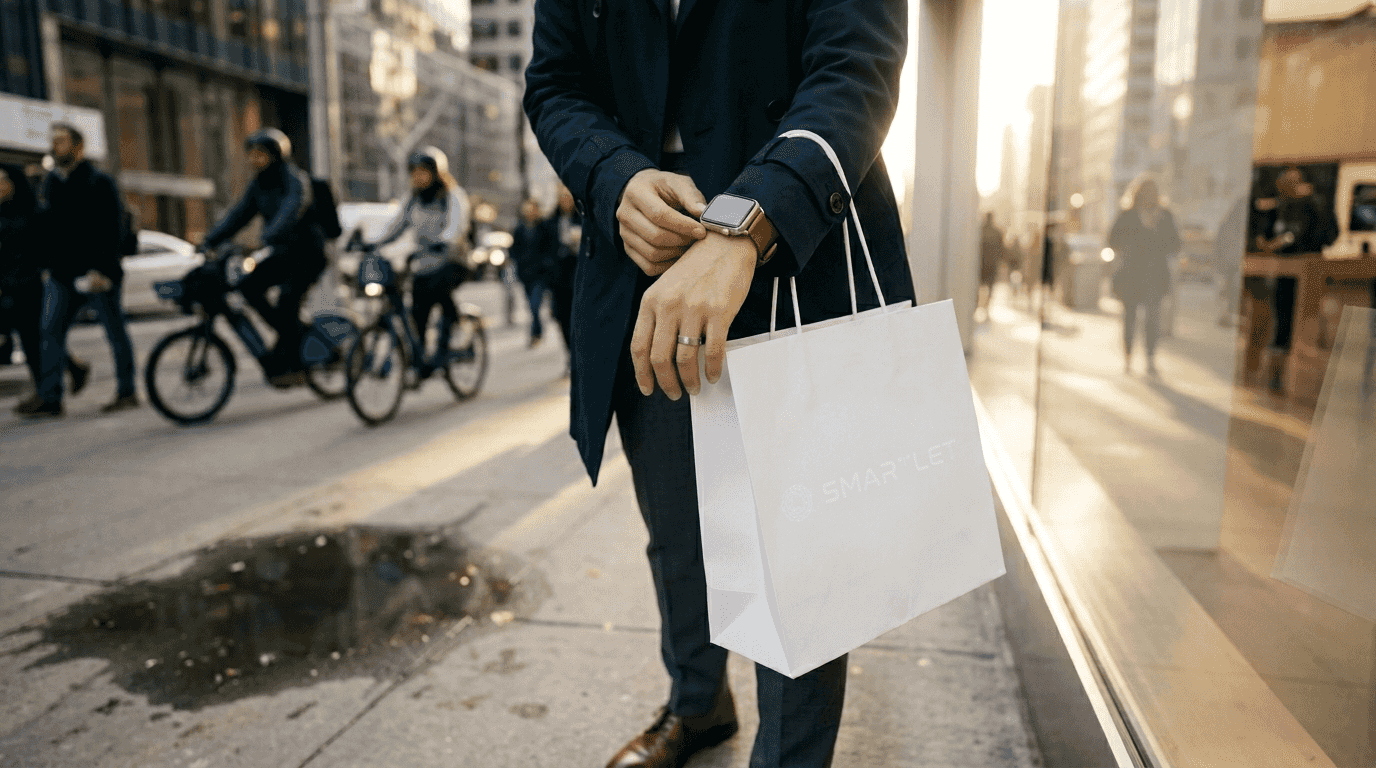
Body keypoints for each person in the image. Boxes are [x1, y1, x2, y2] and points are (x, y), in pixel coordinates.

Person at [525, 1, 912, 766]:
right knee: (677, 527)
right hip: (642, 253)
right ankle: (698, 704)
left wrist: (749, 221)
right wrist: (613, 175)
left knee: (800, 554)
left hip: (798, 245)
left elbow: (855, 67)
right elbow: (556, 81)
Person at [18, 123, 135, 417]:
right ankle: (51, 398)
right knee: (50, 332)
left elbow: (113, 229)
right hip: (62, 274)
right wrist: (45, 266)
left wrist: (103, 269)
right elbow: (48, 229)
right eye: (53, 141)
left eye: (62, 141)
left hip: (97, 273)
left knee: (114, 332)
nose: (55, 146)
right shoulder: (52, 184)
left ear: (78, 148)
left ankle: (127, 391)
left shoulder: (99, 182)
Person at [202, 127, 326, 388]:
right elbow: (239, 215)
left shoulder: (294, 179)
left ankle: (296, 363)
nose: (255, 160)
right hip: (281, 252)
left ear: (276, 155)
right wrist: (210, 240)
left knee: (286, 301)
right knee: (248, 285)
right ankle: (292, 332)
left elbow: (292, 207)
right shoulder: (259, 185)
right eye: (252, 155)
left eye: (261, 155)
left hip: (307, 254)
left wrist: (268, 235)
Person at [371, 147, 471, 375]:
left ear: (436, 173)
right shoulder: (412, 200)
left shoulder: (452, 196)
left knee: (439, 292)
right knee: (417, 312)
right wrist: (374, 243)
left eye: (423, 172)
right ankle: (422, 361)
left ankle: (449, 341)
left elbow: (456, 226)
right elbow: (395, 227)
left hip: (453, 261)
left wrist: (444, 240)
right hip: (424, 264)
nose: (418, 177)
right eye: (414, 172)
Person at [1249, 166, 1339, 391]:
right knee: (1280, 324)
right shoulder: (1277, 207)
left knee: (1304, 324)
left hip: (1308, 276)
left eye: (1291, 182)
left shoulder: (1315, 207)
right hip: (1280, 276)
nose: (1287, 188)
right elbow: (1263, 236)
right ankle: (1274, 375)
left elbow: (1328, 236)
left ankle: (1300, 378)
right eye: (1284, 183)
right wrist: (1265, 243)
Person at [1108, 177, 1181, 376]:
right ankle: (1128, 358)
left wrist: (1157, 232)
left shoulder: (1164, 216)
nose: (1148, 197)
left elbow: (1175, 244)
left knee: (1152, 319)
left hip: (1154, 275)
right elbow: (1113, 239)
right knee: (1130, 318)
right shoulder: (1128, 215)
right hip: (1131, 274)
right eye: (1145, 193)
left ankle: (1149, 359)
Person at [509, 198, 558, 348]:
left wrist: (546, 263)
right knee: (531, 306)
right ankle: (537, 331)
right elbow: (513, 250)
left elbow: (551, 247)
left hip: (540, 273)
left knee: (535, 304)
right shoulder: (519, 228)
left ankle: (535, 333)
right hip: (525, 273)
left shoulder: (544, 227)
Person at [548, 186, 582, 372]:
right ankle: (571, 354)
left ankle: (578, 356)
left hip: (577, 276)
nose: (565, 201)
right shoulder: (550, 221)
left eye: (568, 197)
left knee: (577, 318)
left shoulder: (583, 218)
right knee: (562, 318)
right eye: (562, 197)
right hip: (558, 279)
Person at [977, 212, 1005, 316]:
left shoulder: (981, 230)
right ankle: (985, 306)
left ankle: (979, 306)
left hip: (982, 263)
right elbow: (1001, 250)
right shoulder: (996, 232)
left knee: (980, 285)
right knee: (988, 286)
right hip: (990, 263)